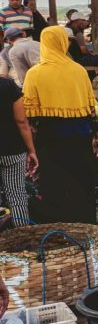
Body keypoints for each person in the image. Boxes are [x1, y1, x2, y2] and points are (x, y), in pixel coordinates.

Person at [23, 27, 98, 224]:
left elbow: (29, 118)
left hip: (50, 143)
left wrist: (30, 149)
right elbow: (91, 108)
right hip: (81, 139)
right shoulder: (79, 71)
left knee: (54, 188)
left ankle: (61, 235)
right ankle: (86, 230)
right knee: (83, 186)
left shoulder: (34, 74)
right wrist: (97, 136)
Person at [0, 76, 37, 226]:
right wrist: (31, 151)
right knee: (17, 197)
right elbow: (22, 121)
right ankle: (22, 240)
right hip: (12, 151)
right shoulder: (7, 85)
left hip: (12, 151)